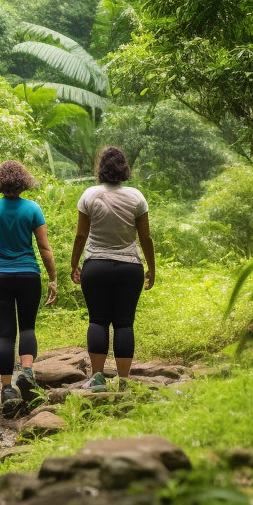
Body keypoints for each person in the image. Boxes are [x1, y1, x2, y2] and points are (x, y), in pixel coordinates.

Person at [0, 161, 57, 417]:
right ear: (23, 181)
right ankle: (27, 374)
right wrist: (53, 278)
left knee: (6, 333)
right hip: (29, 274)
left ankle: (7, 389)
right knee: (27, 326)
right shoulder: (32, 208)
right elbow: (44, 247)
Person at [68, 147, 156, 393]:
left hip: (96, 266)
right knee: (124, 323)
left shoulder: (90, 195)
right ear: (124, 168)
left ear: (101, 168)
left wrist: (74, 263)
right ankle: (124, 381)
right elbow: (145, 237)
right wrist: (152, 267)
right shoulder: (136, 197)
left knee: (98, 320)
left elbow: (81, 234)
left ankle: (97, 378)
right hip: (130, 267)